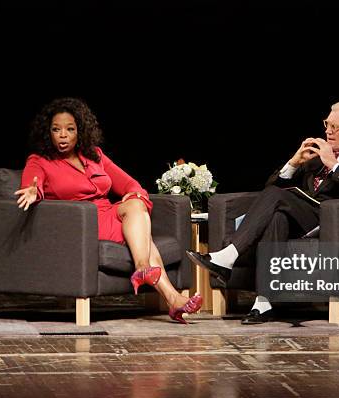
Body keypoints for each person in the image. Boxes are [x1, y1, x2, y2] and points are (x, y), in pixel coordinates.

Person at [187, 99, 339, 324]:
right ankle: (263, 303)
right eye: (326, 124)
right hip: (300, 216)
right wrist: (294, 162)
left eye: (334, 127)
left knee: (277, 196)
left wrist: (334, 165)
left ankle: (229, 255)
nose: (327, 132)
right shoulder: (315, 156)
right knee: (277, 217)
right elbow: (270, 188)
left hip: (332, 219)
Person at [14, 97, 202, 324]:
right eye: (56, 129)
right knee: (143, 234)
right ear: (48, 133)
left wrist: (136, 196)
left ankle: (148, 274)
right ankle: (171, 296)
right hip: (83, 221)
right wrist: (34, 192)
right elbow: (31, 184)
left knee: (137, 206)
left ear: (80, 131)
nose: (63, 135)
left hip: (108, 212)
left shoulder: (94, 156)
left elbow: (131, 185)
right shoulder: (40, 161)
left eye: (70, 129)